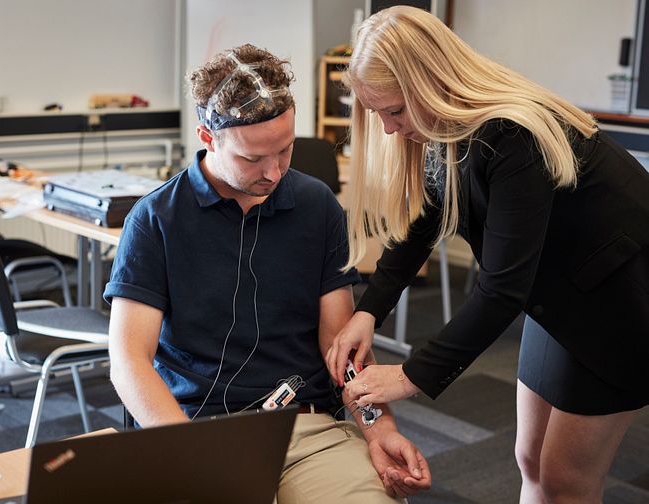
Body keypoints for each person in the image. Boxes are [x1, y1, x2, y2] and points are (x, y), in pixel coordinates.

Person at [324, 6, 649, 504]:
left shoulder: (512, 134)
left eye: (394, 111)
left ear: (429, 83)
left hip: (616, 303)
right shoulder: (445, 129)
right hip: (558, 294)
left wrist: (409, 375)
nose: (389, 129)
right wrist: (369, 311)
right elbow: (421, 226)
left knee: (565, 478)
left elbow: (499, 290)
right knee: (530, 458)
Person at [104, 43, 431, 502]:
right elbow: (129, 363)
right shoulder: (156, 219)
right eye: (252, 158)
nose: (273, 172)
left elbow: (341, 345)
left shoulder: (318, 207)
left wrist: (379, 430)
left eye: (285, 150)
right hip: (196, 430)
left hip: (305, 427)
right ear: (207, 136)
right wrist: (187, 452)